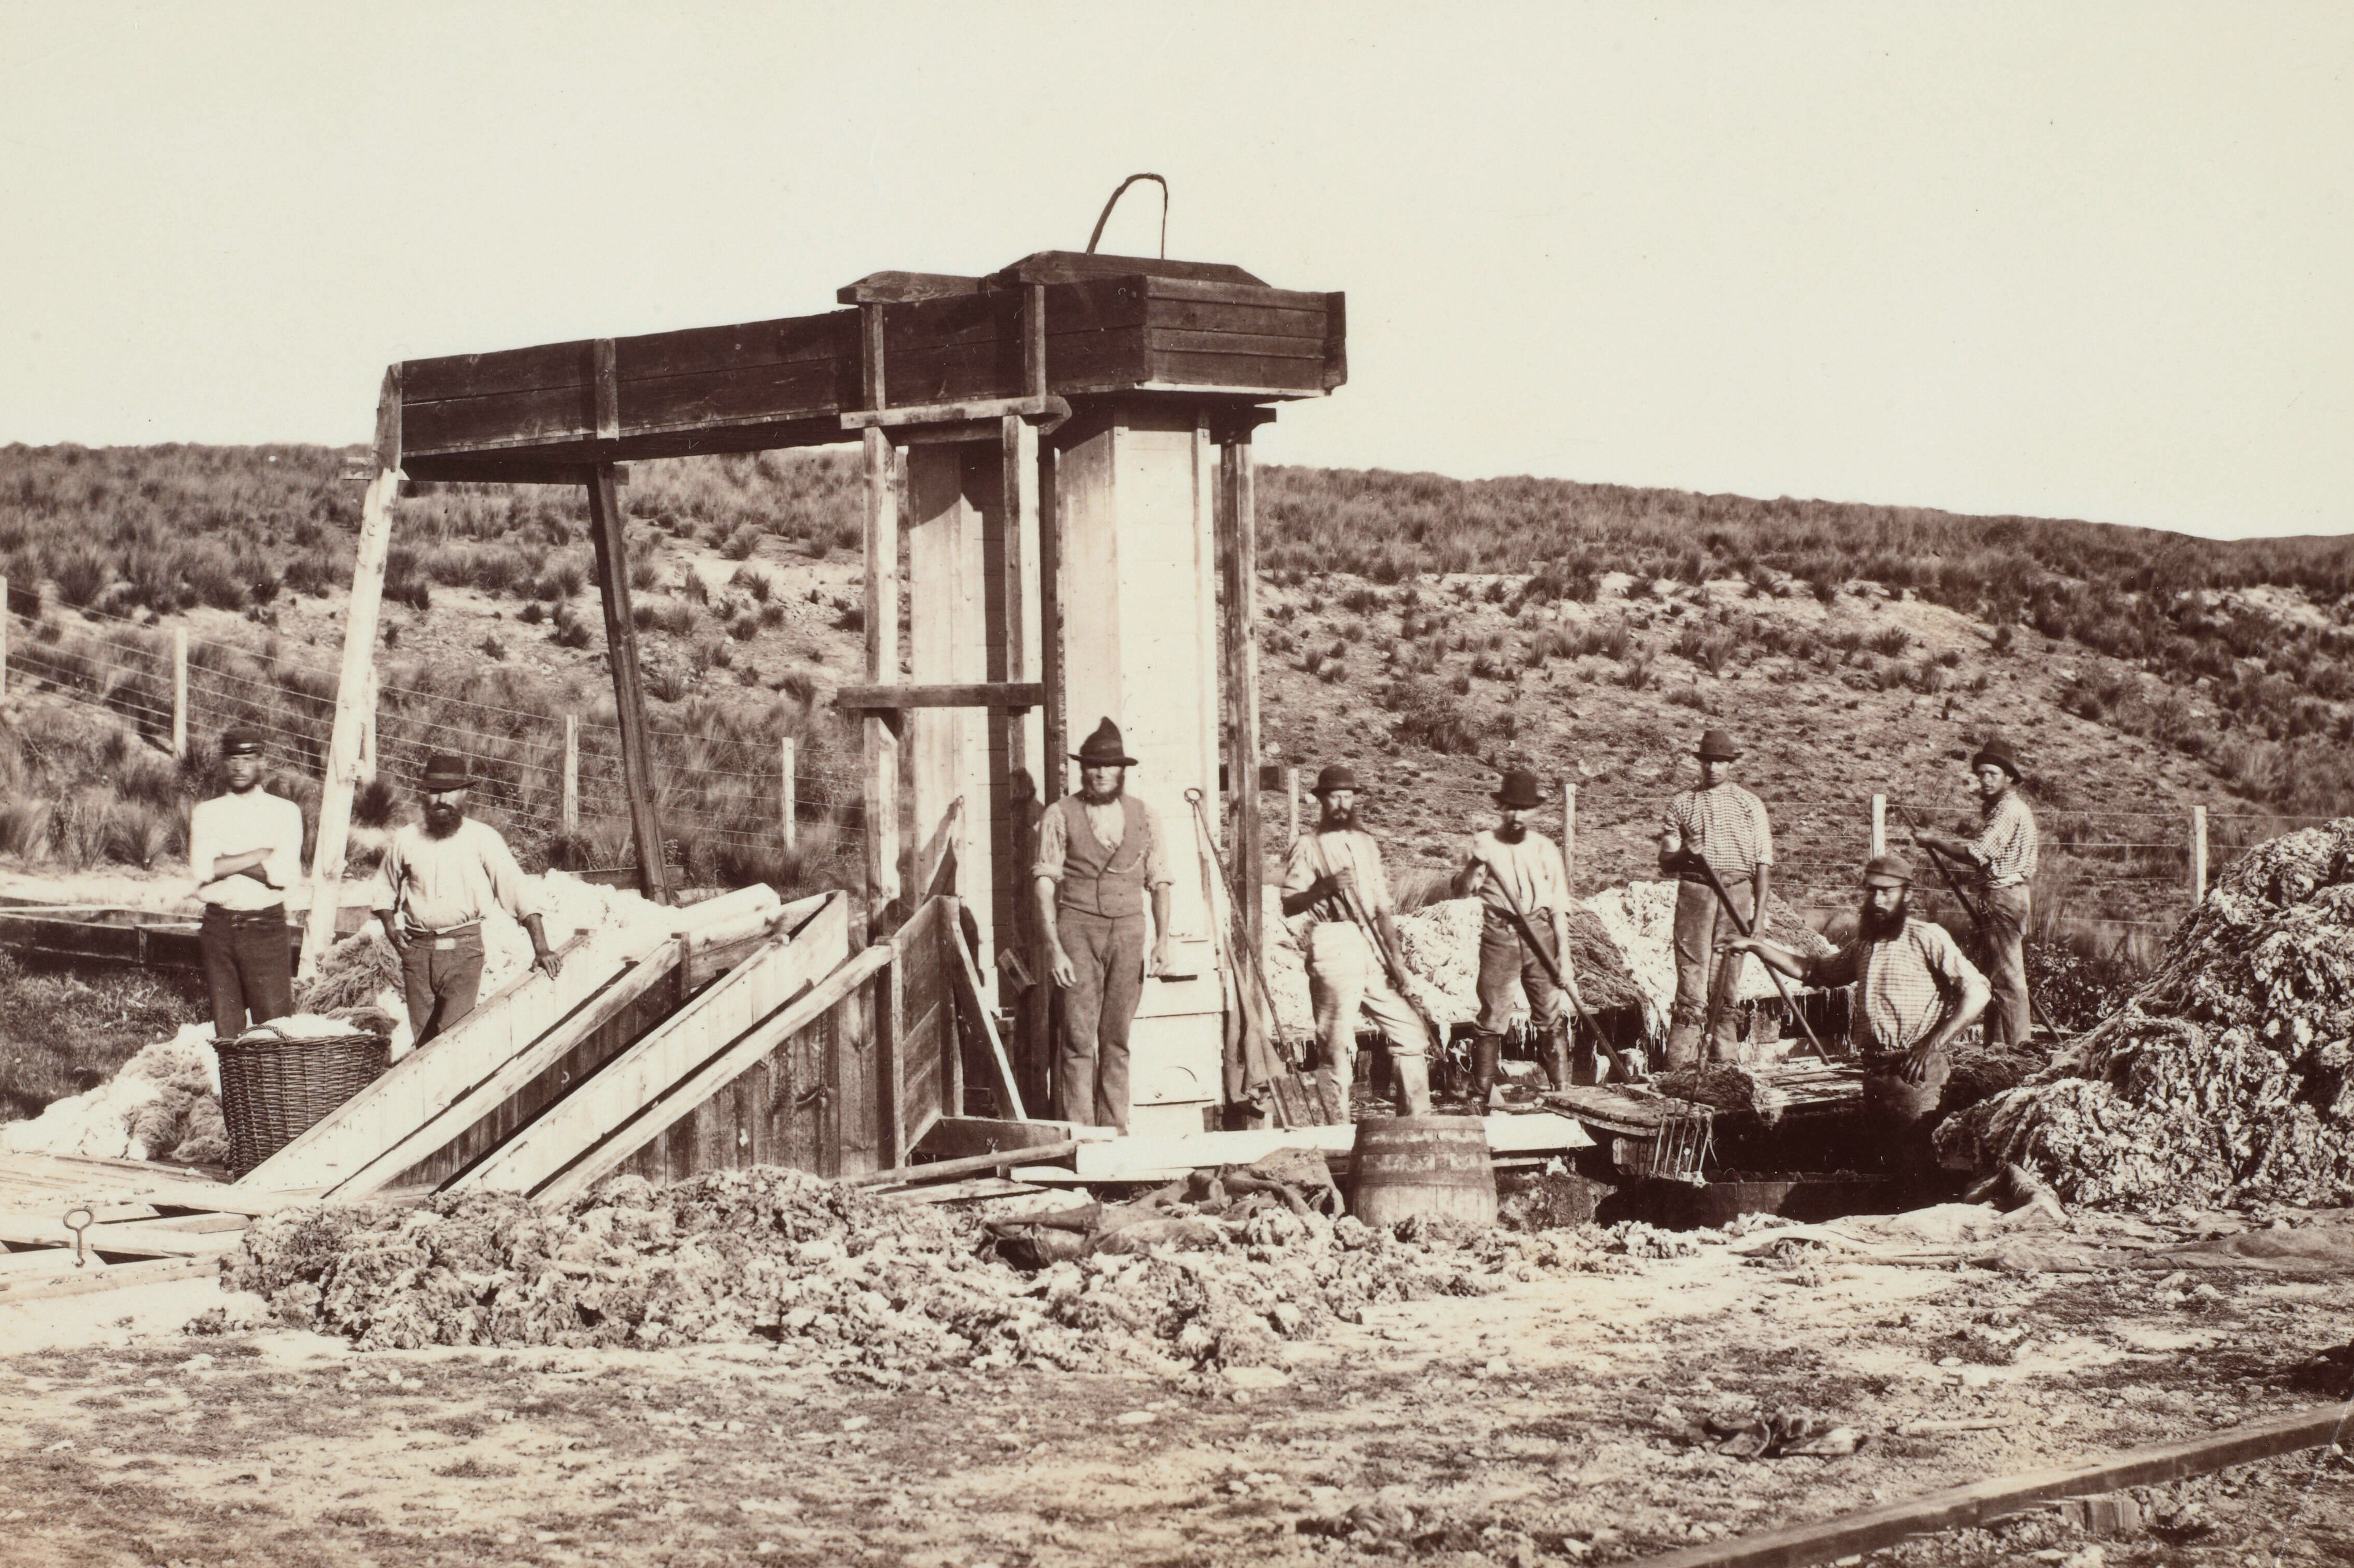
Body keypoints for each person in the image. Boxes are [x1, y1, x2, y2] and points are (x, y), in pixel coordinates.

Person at [1727, 854, 1990, 1180]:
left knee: (1918, 1171)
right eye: (1872, 891)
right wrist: (1756, 946)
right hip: (1875, 1075)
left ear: (1907, 894)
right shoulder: (1865, 945)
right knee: (1884, 1174)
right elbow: (1813, 971)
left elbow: (1978, 992)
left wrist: (1930, 1045)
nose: (1878, 900)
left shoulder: (1927, 937)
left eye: (1887, 892)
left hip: (1916, 1075)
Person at [1032, 718, 1173, 1133]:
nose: (1099, 773)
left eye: (1108, 766)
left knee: (1117, 1039)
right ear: (1082, 769)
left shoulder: (1146, 815)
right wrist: (1054, 948)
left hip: (1129, 932)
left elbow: (1160, 882)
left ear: (1122, 771)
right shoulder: (1059, 814)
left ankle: (1115, 1130)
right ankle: (1082, 1135)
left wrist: (1163, 941)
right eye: (1092, 765)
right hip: (1077, 930)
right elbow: (1043, 885)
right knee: (1078, 1040)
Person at [371, 752, 561, 1047]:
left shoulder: (482, 838)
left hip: (463, 951)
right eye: (435, 792)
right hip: (417, 953)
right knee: (423, 1043)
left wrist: (542, 948)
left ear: (464, 794)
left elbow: (517, 891)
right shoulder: (406, 839)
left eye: (449, 792)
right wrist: (390, 927)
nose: (442, 800)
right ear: (425, 795)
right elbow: (384, 887)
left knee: (454, 1040)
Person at [1280, 764, 1433, 1118]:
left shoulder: (1366, 844)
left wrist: (1396, 960)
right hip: (1332, 941)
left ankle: (1417, 1122)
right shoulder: (1308, 846)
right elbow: (1290, 904)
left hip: (1371, 946)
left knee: (1411, 1032)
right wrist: (1324, 887)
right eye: (1335, 796)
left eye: (1348, 797)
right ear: (1321, 800)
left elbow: (1382, 908)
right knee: (1336, 1044)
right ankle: (1338, 1128)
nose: (1342, 804)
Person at [1451, 769, 1580, 1108]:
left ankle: (1562, 1091)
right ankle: (1480, 1096)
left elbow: (1559, 908)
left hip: (1540, 933)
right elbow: (1462, 891)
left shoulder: (1545, 848)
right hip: (1500, 934)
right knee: (1493, 1015)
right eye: (1510, 807)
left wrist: (1564, 960)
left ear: (1534, 811)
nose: (1517, 815)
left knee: (1550, 1013)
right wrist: (1473, 865)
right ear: (1500, 807)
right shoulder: (1484, 845)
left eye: (1523, 809)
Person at [1657, 727, 1775, 1069]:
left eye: (1720, 761)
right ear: (1701, 763)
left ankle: (1725, 1066)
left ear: (1730, 764)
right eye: (1708, 761)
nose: (1713, 768)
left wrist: (1759, 917)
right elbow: (1666, 861)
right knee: (1692, 980)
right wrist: (1685, 856)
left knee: (1726, 980)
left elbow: (1763, 864)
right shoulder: (1682, 804)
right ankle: (1680, 1066)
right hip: (1695, 893)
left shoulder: (1751, 805)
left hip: (1737, 893)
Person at [1910, 737, 2039, 1045]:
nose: (1985, 780)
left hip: (2004, 898)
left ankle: (2018, 1053)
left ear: (2009, 777)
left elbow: (1976, 854)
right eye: (1981, 774)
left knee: (2007, 980)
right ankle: (1997, 1049)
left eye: (1992, 774)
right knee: (1996, 977)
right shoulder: (2001, 809)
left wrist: (1933, 841)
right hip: (2004, 896)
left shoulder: (2009, 810)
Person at [186, 727, 304, 1040]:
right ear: (223, 763)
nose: (239, 767)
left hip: (265, 927)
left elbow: (282, 875)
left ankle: (275, 1090)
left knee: (275, 1026)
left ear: (262, 763)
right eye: (233, 759)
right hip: (218, 927)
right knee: (227, 1027)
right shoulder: (207, 813)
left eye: (248, 758)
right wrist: (259, 855)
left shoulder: (284, 812)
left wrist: (225, 863)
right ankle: (236, 1090)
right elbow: (202, 869)